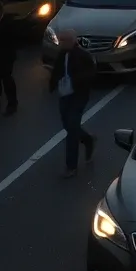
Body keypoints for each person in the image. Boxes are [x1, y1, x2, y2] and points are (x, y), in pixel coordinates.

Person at [48, 30, 97, 177]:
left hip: (78, 95)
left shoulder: (83, 56)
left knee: (72, 127)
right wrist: (53, 83)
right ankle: (88, 140)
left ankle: (71, 166)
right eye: (61, 41)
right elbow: (57, 70)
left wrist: (76, 81)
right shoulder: (62, 54)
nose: (61, 43)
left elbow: (91, 73)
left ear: (72, 41)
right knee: (68, 125)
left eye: (64, 41)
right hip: (65, 94)